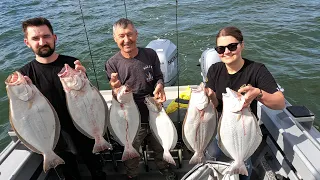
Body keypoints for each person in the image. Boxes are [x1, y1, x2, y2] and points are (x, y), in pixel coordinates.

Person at [19, 17, 106, 180]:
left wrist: (84, 79)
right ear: (27, 43)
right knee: (70, 176)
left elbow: (90, 100)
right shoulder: (25, 76)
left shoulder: (72, 65)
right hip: (54, 138)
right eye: (35, 38)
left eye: (46, 36)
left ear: (54, 38)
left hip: (85, 130)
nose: (42, 42)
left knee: (98, 171)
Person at [204, 26, 285, 180]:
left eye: (232, 46)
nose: (226, 52)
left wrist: (258, 93)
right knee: (213, 159)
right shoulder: (214, 70)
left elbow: (280, 102)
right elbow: (215, 105)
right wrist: (210, 97)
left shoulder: (256, 70)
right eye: (221, 49)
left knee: (242, 168)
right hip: (221, 130)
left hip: (245, 133)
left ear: (242, 45)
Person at [105, 18, 177, 180]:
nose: (126, 40)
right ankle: (132, 174)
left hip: (154, 110)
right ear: (115, 38)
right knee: (132, 150)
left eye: (130, 34)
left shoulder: (150, 54)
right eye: (121, 36)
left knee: (160, 145)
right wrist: (115, 87)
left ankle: (165, 169)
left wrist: (160, 86)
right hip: (130, 117)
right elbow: (117, 92)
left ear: (136, 35)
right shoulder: (112, 63)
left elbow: (159, 76)